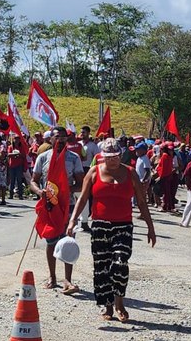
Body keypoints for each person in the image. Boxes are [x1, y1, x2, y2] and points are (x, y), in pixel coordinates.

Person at [67, 138, 155, 322]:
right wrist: (72, 220)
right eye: (108, 156)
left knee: (120, 262)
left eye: (115, 156)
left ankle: (119, 302)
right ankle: (107, 306)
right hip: (100, 225)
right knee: (102, 266)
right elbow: (82, 199)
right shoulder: (93, 172)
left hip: (123, 225)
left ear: (120, 155)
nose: (112, 160)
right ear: (102, 156)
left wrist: (150, 227)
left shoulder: (130, 173)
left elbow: (141, 201)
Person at [30, 126, 84, 295]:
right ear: (50, 139)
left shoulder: (73, 158)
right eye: (56, 137)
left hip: (68, 205)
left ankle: (67, 279)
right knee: (51, 241)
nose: (60, 140)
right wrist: (40, 192)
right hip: (49, 205)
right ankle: (52, 277)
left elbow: (81, 183)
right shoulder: (43, 157)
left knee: (68, 240)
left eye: (63, 137)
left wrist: (68, 188)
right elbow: (33, 181)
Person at [156, 143, 176, 213]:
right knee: (167, 192)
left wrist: (160, 177)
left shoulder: (165, 156)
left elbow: (163, 168)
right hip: (168, 175)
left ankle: (164, 206)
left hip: (165, 176)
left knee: (165, 192)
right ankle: (169, 206)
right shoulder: (169, 156)